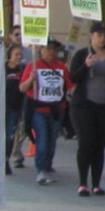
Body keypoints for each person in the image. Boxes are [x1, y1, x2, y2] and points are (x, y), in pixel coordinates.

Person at [68, 24, 105, 196]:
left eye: (104, 35)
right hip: (84, 105)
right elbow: (73, 77)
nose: (102, 38)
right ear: (92, 36)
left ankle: (97, 184)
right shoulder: (82, 54)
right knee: (86, 142)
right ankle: (83, 183)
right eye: (99, 35)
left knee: (100, 145)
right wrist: (85, 65)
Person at [20, 39, 70, 184]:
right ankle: (41, 169)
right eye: (47, 49)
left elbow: (70, 86)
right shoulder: (33, 66)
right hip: (39, 110)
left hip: (56, 110)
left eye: (53, 49)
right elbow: (22, 88)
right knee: (42, 139)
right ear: (41, 50)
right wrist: (31, 79)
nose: (51, 52)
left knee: (52, 140)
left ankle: (47, 165)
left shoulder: (62, 67)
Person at [4, 43, 29, 173]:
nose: (19, 57)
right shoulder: (2, 69)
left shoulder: (23, 69)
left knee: (10, 136)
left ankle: (5, 160)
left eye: (20, 54)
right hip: (1, 108)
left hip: (15, 108)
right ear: (9, 56)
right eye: (16, 54)